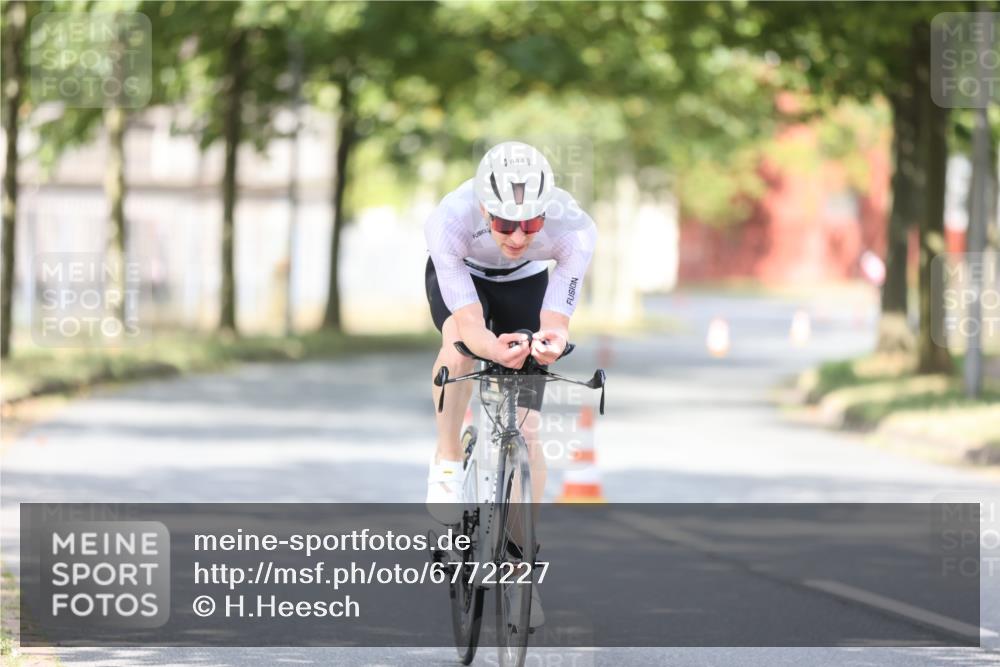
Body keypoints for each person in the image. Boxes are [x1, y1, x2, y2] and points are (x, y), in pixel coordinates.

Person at [423, 140, 597, 523]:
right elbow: (471, 325)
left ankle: (518, 544)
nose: (518, 238)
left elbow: (556, 323)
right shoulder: (449, 220)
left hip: (525, 280)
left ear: (546, 212)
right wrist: (493, 349)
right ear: (484, 209)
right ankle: (447, 460)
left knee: (528, 427)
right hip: (465, 274)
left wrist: (552, 342)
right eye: (504, 224)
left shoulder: (575, 228)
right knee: (459, 345)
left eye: (531, 224)